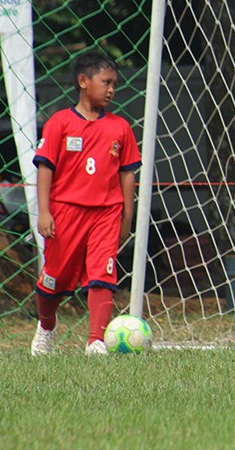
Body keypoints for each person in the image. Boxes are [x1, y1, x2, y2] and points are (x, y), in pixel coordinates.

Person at [30, 53, 142, 355]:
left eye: (114, 84)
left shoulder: (120, 128)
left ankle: (95, 341)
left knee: (102, 274)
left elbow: (127, 176)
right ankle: (46, 326)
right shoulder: (59, 123)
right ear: (83, 81)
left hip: (106, 213)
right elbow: (45, 168)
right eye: (106, 82)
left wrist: (126, 220)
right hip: (65, 212)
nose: (111, 90)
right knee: (54, 279)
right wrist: (44, 212)